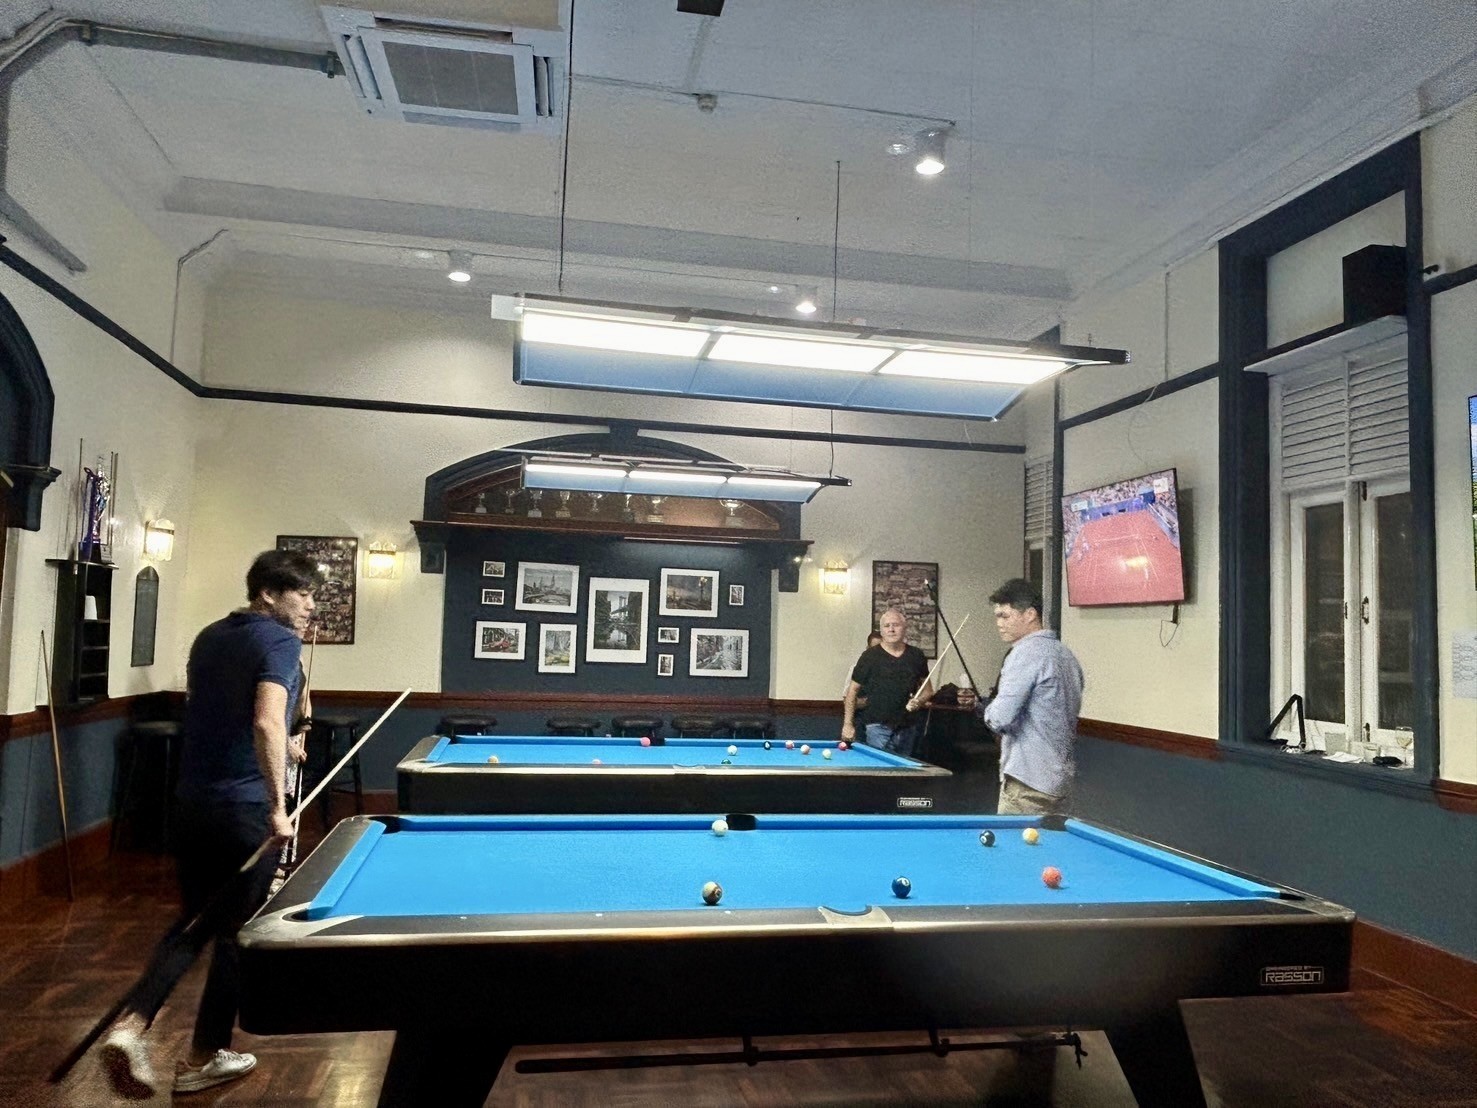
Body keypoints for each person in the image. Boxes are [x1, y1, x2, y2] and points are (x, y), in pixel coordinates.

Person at [101, 549, 320, 1098]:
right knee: (235, 934)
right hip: (244, 811)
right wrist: (277, 806)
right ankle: (202, 1056)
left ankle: (131, 1024)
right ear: (267, 593)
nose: (311, 606)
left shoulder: (210, 636)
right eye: (302, 594)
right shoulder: (279, 641)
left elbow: (235, 715)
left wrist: (289, 739)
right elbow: (267, 721)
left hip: (193, 805)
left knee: (194, 922)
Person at [958, 579, 1084, 815]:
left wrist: (985, 709)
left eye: (1005, 616)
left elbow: (1000, 719)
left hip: (1028, 782)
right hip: (1060, 782)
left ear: (1030, 614)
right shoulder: (1066, 655)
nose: (999, 623)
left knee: (1013, 841)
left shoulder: (1024, 653)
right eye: (997, 616)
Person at [842, 609, 932, 757]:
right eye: (887, 625)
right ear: (882, 631)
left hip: (908, 727)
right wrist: (847, 725)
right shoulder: (869, 656)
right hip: (877, 726)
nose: (891, 629)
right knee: (881, 768)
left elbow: (928, 690)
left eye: (896, 625)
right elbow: (852, 691)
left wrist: (919, 701)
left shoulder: (916, 655)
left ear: (904, 628)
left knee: (905, 769)